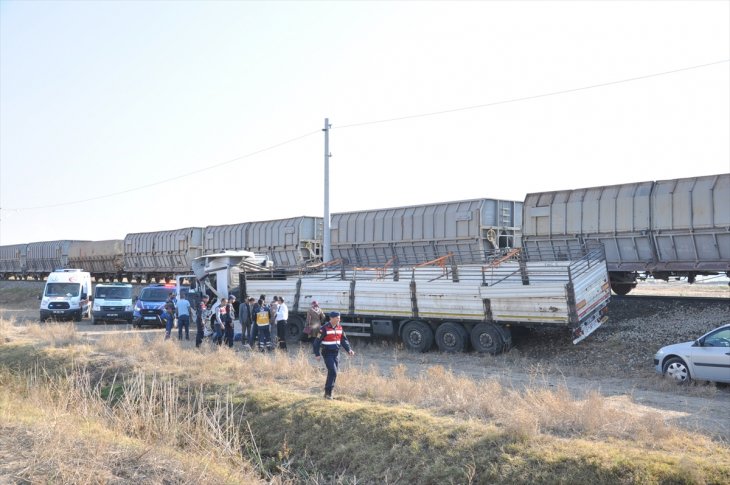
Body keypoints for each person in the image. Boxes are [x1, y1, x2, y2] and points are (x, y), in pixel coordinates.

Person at [313, 311, 355, 399]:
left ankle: (329, 393)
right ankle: (328, 393)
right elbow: (316, 342)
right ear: (331, 318)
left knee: (334, 373)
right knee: (333, 371)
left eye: (339, 318)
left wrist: (349, 349)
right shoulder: (323, 328)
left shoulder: (340, 327)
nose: (339, 319)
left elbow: (344, 340)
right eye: (337, 318)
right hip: (327, 353)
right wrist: (317, 354)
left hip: (336, 353)